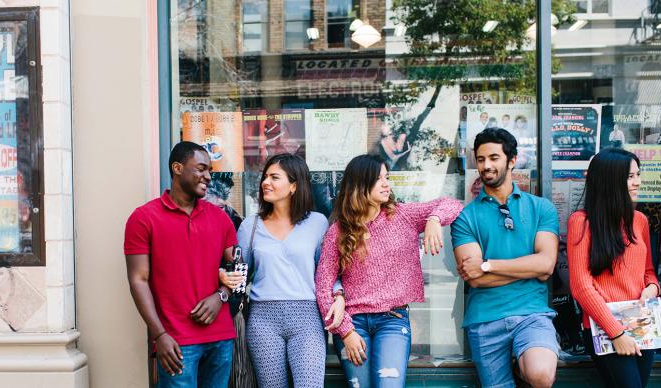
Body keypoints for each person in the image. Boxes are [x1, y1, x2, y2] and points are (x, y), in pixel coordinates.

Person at [315, 154, 463, 387]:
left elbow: (453, 204)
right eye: (378, 179)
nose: (386, 184)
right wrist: (345, 332)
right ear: (360, 185)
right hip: (353, 324)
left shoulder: (402, 215)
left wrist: (434, 218)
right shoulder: (338, 231)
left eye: (387, 177)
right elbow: (323, 286)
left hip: (392, 321)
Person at [219, 153, 345, 388]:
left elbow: (327, 271)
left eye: (274, 177)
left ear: (294, 186)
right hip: (263, 319)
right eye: (265, 177)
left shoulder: (317, 223)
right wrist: (224, 276)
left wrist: (339, 295)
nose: (266, 182)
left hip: (307, 317)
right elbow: (238, 274)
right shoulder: (250, 226)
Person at [452, 128, 560, 388]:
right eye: (480, 159)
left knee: (541, 375)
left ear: (512, 160)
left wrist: (489, 265)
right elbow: (474, 278)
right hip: (485, 318)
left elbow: (546, 265)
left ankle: (521, 365)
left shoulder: (541, 207)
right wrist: (527, 268)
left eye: (494, 157)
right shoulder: (466, 218)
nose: (486, 166)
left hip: (532, 314)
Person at [124, 141, 236, 387]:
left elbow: (239, 267)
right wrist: (159, 335)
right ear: (177, 168)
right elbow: (137, 281)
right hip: (175, 342)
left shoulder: (220, 218)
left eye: (209, 170)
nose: (208, 176)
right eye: (201, 168)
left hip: (221, 339)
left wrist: (222, 295)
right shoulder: (143, 218)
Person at [567, 148, 660, 388]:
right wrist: (616, 333)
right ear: (610, 180)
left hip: (641, 322)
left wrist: (652, 288)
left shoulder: (639, 220)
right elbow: (581, 287)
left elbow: (648, 271)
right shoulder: (582, 222)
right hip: (604, 326)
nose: (637, 182)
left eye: (638, 174)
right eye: (630, 176)